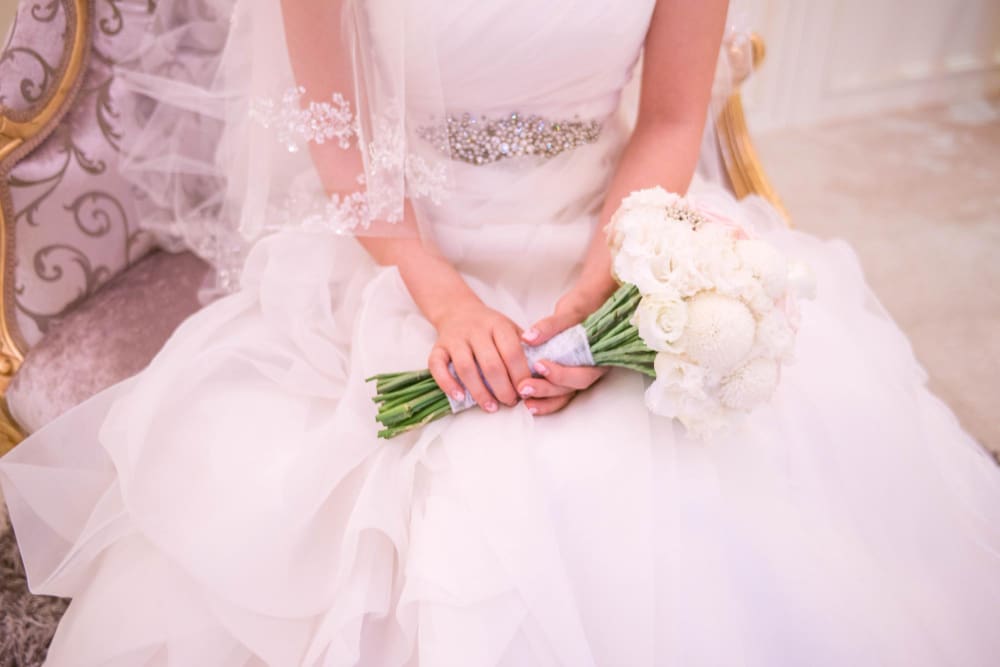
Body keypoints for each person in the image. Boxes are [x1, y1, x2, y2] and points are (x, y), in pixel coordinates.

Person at [2, 0, 998, 664]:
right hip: (410, 247)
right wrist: (446, 301)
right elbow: (340, 142)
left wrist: (596, 307)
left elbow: (666, 124)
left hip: (608, 226)